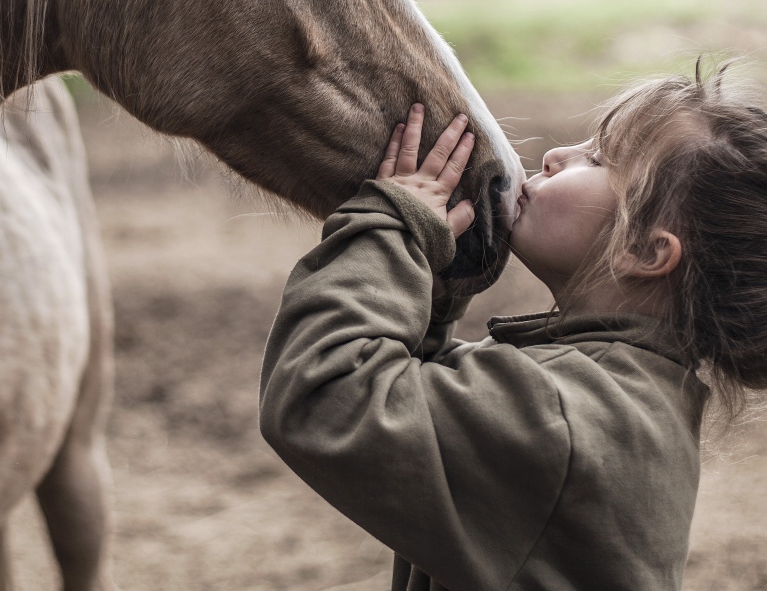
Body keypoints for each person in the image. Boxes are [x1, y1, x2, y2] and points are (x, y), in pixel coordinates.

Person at [259, 67, 767, 591]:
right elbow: (428, 402)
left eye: (598, 159)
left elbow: (326, 394)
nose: (556, 155)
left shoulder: (565, 415)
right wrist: (437, 282)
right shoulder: (620, 396)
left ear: (644, 251)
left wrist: (388, 230)